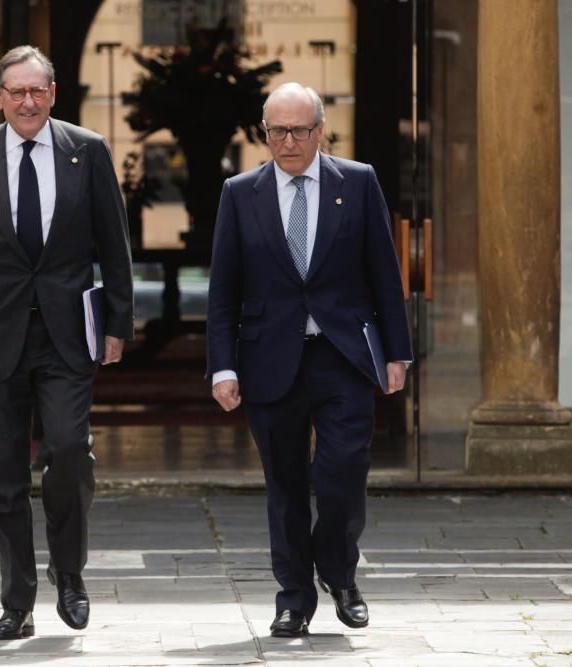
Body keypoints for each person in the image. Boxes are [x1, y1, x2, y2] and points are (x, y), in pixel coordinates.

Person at [0, 45, 133, 640]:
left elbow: (114, 246)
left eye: (38, 90)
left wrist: (118, 324)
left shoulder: (86, 152)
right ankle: (17, 600)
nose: (28, 101)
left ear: (53, 93)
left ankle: (70, 571)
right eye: (16, 91)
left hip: (68, 334)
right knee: (4, 473)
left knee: (69, 450)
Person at [205, 82, 412, 637]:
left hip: (343, 355)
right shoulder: (239, 192)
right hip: (268, 358)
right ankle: (293, 598)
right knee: (286, 484)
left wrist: (397, 352)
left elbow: (384, 275)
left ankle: (340, 571)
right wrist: (222, 365)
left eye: (299, 129)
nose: (288, 140)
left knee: (344, 471)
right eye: (277, 131)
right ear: (265, 132)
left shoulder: (359, 182)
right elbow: (222, 288)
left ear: (320, 130)